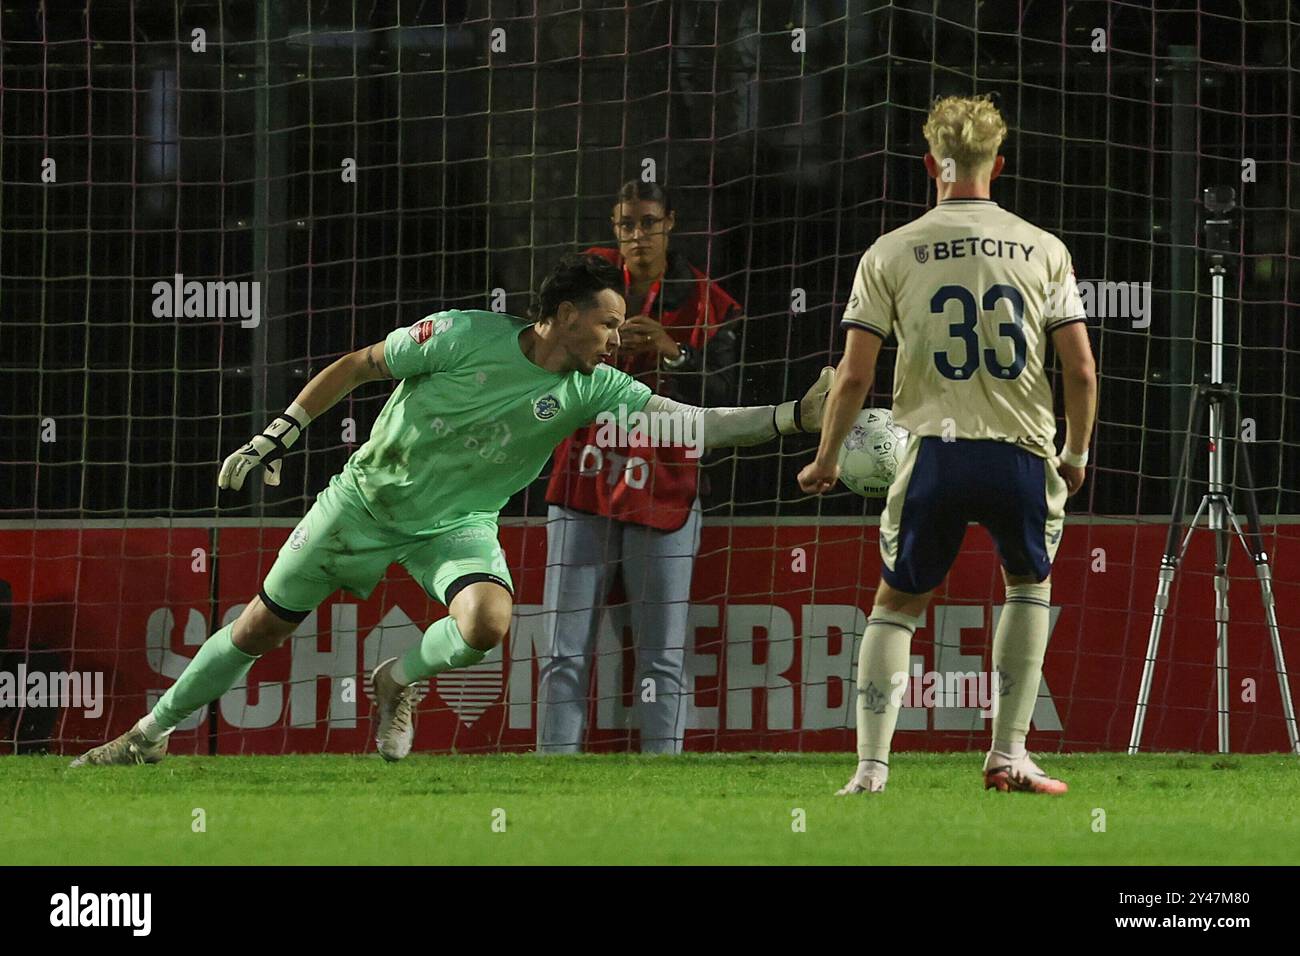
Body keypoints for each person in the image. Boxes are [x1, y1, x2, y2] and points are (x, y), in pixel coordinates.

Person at [72, 253, 834, 767]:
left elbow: (689, 423)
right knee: (258, 628)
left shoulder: (595, 388)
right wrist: (282, 431)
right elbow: (362, 364)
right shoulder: (464, 333)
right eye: (606, 322)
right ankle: (148, 734)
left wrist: (791, 417)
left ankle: (397, 679)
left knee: (487, 622)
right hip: (363, 502)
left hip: (457, 525)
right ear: (564, 315)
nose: (617, 335)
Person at [798, 94, 1098, 795]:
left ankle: (871, 771)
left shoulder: (893, 250)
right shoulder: (1043, 247)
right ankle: (1008, 755)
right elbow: (1080, 369)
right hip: (1021, 451)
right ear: (1000, 163)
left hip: (933, 451)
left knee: (896, 605)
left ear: (930, 163)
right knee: (1029, 588)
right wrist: (1077, 453)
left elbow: (854, 376)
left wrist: (827, 458)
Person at [537, 181, 743, 754]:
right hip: (584, 477)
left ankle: (663, 779)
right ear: (614, 226)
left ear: (670, 224)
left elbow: (727, 392)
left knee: (661, 655)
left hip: (666, 488)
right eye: (626, 224)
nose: (637, 236)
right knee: (562, 649)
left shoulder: (706, 300)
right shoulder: (585, 290)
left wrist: (674, 350)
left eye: (648, 223)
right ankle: (550, 771)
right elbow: (542, 350)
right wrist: (594, 342)